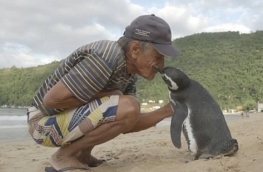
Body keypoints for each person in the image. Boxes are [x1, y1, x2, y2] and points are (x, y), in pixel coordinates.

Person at [27, 14, 182, 171]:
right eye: (158, 56)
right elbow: (51, 101)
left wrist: (168, 110)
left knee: (127, 106)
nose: (161, 65)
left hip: (60, 121)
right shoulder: (107, 55)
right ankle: (63, 156)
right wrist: (109, 96)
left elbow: (127, 122)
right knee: (126, 104)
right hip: (41, 124)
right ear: (135, 49)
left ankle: (82, 155)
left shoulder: (129, 75)